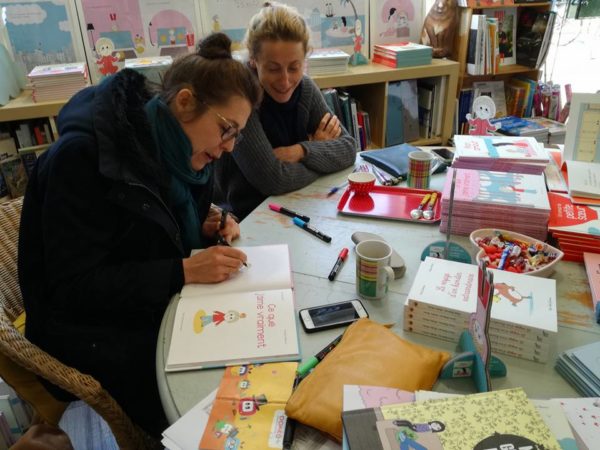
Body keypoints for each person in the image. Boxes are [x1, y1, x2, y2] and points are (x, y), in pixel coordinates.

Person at [18, 33, 261, 438]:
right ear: (184, 101)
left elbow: (156, 221)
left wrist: (208, 223)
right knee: (213, 409)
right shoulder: (81, 159)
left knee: (247, 358)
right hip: (85, 329)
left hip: (146, 305)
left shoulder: (183, 154)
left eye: (238, 134)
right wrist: (181, 270)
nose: (230, 147)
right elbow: (73, 288)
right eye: (226, 129)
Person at [214, 1, 356, 220]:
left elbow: (348, 149)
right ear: (253, 61)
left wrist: (301, 151)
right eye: (273, 68)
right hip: (248, 215)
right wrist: (321, 154)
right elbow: (272, 180)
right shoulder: (241, 98)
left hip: (300, 202)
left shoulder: (305, 88)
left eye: (294, 67)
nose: (285, 80)